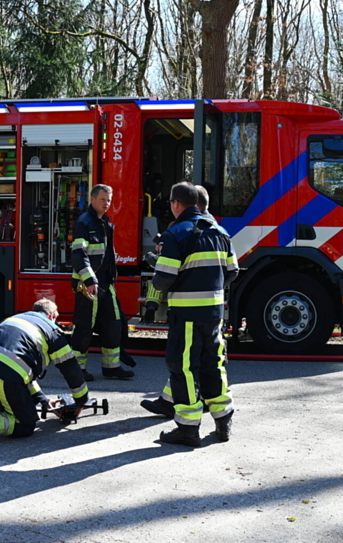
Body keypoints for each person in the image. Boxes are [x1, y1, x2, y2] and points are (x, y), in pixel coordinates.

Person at [149, 181, 239, 447]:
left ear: (177, 204)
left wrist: (159, 270)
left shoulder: (175, 233)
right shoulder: (220, 231)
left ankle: (188, 429)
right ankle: (224, 421)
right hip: (214, 312)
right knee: (214, 364)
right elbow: (232, 271)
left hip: (186, 314)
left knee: (184, 368)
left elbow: (164, 278)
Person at [0, 299, 89, 444]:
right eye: (56, 317)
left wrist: (43, 401)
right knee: (25, 424)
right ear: (51, 316)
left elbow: (24, 372)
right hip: (3, 373)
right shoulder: (52, 331)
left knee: (10, 385)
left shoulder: (16, 318)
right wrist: (81, 401)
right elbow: (72, 370)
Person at [70, 184, 134, 380]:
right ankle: (77, 369)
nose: (107, 204)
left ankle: (111, 367)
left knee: (113, 324)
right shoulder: (84, 223)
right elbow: (78, 254)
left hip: (105, 282)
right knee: (84, 327)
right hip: (87, 284)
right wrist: (89, 280)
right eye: (103, 199)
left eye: (109, 200)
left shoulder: (104, 223)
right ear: (92, 200)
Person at [141, 183, 216, 323]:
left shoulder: (179, 229)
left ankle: (151, 306)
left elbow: (165, 276)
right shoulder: (216, 228)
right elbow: (232, 271)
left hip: (185, 303)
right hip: (211, 303)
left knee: (161, 273)